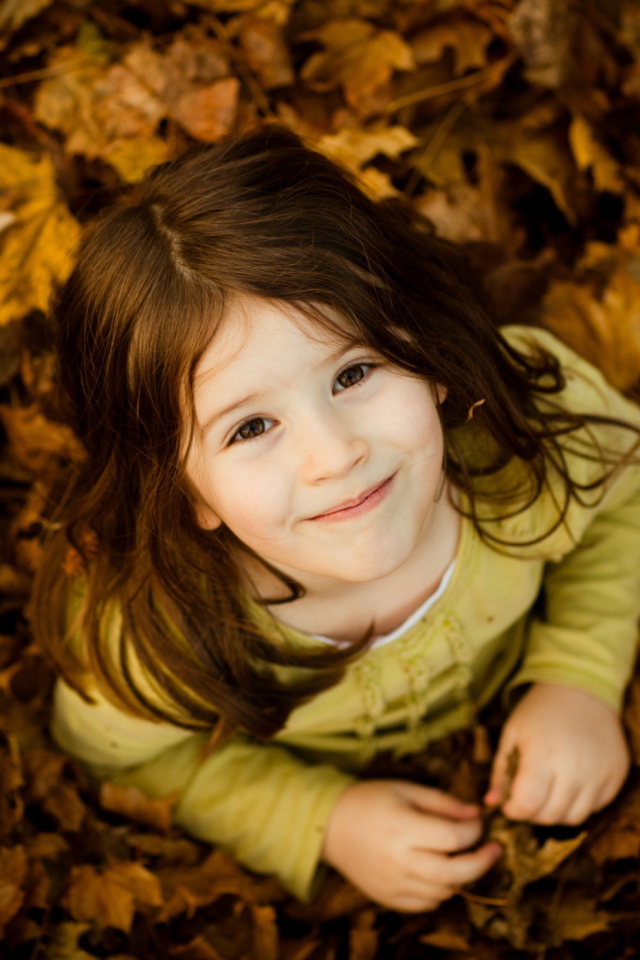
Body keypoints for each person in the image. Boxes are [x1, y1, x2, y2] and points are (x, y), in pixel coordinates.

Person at [33, 126, 640, 913]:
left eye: (354, 371)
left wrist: (579, 676)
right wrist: (322, 819)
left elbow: (620, 504)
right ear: (187, 494)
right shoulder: (160, 631)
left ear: (426, 355)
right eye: (250, 428)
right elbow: (126, 762)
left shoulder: (526, 439)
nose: (334, 454)